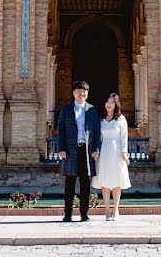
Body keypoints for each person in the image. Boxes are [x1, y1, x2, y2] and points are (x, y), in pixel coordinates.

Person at [57, 80, 101, 222]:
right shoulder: (66, 109)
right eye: (79, 91)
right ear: (74, 93)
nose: (82, 93)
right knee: (69, 183)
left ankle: (84, 213)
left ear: (87, 93)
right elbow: (61, 131)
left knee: (85, 184)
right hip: (70, 150)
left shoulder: (93, 110)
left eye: (84, 91)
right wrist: (61, 148)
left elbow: (97, 133)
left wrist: (96, 149)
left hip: (86, 152)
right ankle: (68, 213)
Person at [91, 93, 131, 221]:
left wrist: (124, 152)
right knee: (105, 181)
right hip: (104, 152)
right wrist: (96, 151)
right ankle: (107, 210)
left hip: (117, 151)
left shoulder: (121, 119)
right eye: (107, 102)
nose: (109, 104)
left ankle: (116, 209)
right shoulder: (100, 119)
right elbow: (97, 136)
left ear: (116, 104)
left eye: (112, 102)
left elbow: (124, 137)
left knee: (117, 181)